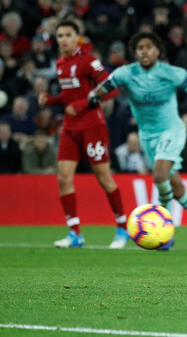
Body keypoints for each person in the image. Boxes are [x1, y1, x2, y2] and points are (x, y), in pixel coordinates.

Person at [89, 31, 187, 251]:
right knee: (176, 188)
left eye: (148, 47)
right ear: (134, 52)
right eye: (139, 48)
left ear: (157, 51)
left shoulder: (171, 73)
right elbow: (105, 86)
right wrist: (93, 96)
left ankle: (164, 232)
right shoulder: (126, 73)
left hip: (172, 131)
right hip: (148, 137)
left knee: (159, 174)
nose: (144, 51)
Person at [38, 20, 129, 249]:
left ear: (78, 37)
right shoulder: (60, 63)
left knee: (103, 177)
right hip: (70, 128)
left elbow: (112, 89)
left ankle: (122, 228)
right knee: (63, 178)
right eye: (60, 35)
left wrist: (81, 105)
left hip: (92, 126)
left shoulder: (88, 60)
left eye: (69, 34)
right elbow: (70, 97)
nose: (64, 39)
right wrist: (53, 101)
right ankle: (75, 233)